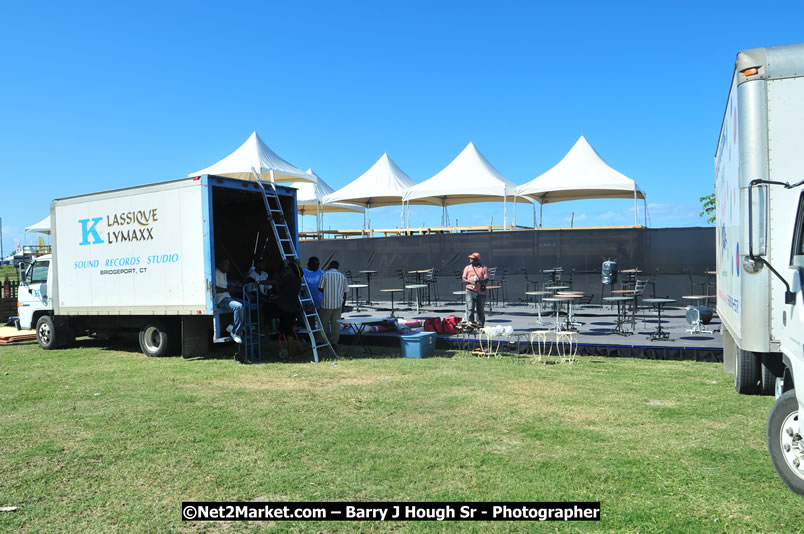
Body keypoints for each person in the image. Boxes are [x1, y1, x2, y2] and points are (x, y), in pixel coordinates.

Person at [318, 260, 348, 348]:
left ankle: (322, 340)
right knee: (336, 325)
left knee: (324, 323)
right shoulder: (342, 276)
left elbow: (320, 288)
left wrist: (327, 291)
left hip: (326, 304)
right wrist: (343, 305)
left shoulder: (325, 274)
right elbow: (345, 292)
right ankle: (334, 342)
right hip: (338, 304)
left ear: (330, 265)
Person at [215, 256, 243, 343]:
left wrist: (232, 287)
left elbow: (225, 287)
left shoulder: (224, 273)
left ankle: (232, 326)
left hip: (227, 297)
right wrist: (228, 289)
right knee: (238, 306)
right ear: (220, 264)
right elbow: (215, 289)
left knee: (248, 304)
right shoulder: (216, 272)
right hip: (221, 299)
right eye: (226, 264)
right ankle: (235, 333)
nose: (228, 266)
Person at [462, 252, 488, 327]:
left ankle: (480, 327)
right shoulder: (467, 268)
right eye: (470, 258)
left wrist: (479, 282)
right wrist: (470, 281)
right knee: (470, 309)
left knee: (480, 311)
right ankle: (471, 326)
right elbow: (463, 279)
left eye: (472, 258)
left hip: (480, 292)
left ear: (477, 260)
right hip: (470, 291)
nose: (470, 259)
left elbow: (486, 279)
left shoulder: (484, 268)